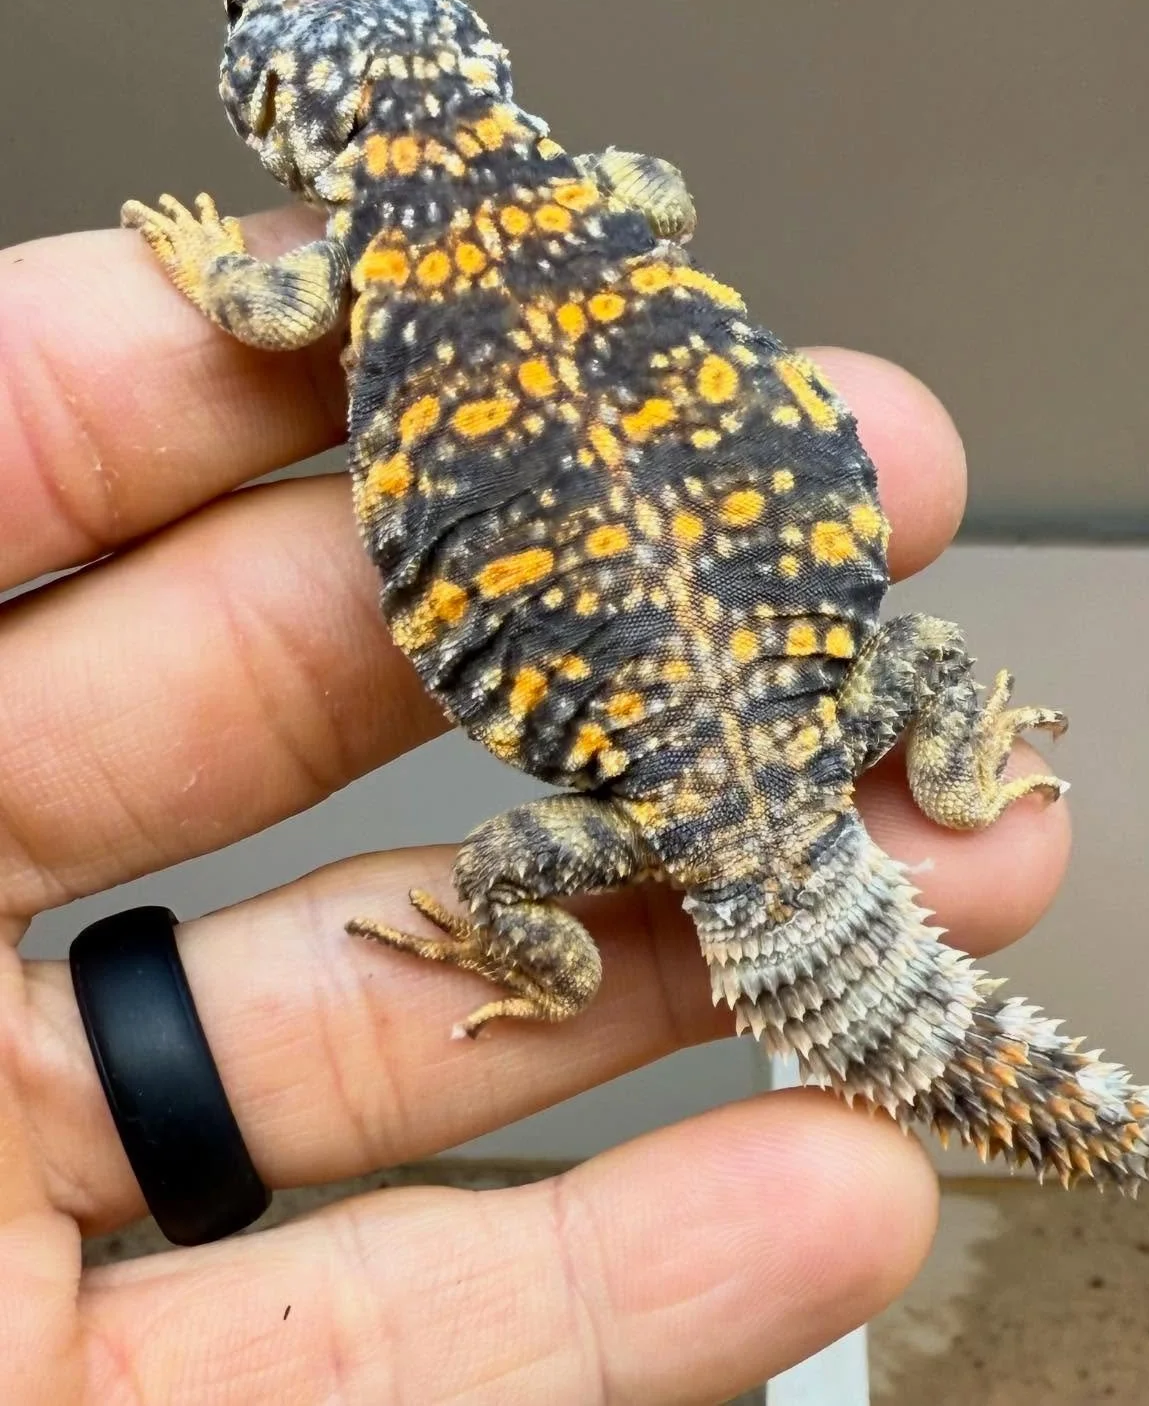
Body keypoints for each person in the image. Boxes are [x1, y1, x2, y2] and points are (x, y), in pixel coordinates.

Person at [0, 205, 1070, 1404]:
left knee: (497, 872)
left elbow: (279, 308)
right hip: (796, 736)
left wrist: (209, 267)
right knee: (922, 648)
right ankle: (961, 787)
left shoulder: (365, 243)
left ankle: (556, 978)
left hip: (681, 795)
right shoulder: (582, 194)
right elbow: (659, 190)